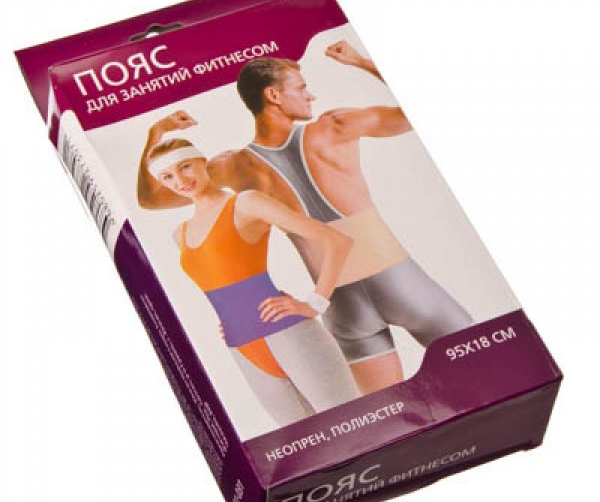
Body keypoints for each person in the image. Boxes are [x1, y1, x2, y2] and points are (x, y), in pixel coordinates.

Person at [138, 41, 473, 395]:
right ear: (274, 95)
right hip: (401, 284)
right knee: (487, 372)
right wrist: (361, 61)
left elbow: (151, 198)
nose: (311, 96)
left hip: (340, 303)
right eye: (301, 87)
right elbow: (411, 115)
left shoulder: (234, 166)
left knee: (390, 411)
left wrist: (154, 134)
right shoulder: (336, 126)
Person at [140, 134, 360, 427]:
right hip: (241, 346)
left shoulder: (246, 203)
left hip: (287, 331)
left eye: (185, 166)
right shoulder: (179, 234)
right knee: (303, 441)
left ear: (203, 162)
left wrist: (315, 303)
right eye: (167, 176)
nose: (180, 180)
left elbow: (337, 241)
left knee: (353, 425)